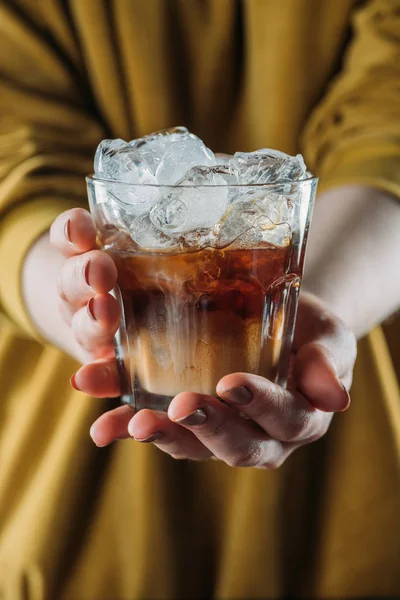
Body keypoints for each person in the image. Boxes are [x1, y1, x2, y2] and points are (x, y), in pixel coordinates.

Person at [0, 0, 399, 598]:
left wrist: (315, 309)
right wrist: (77, 303)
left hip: (349, 517)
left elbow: (387, 125)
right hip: (70, 530)